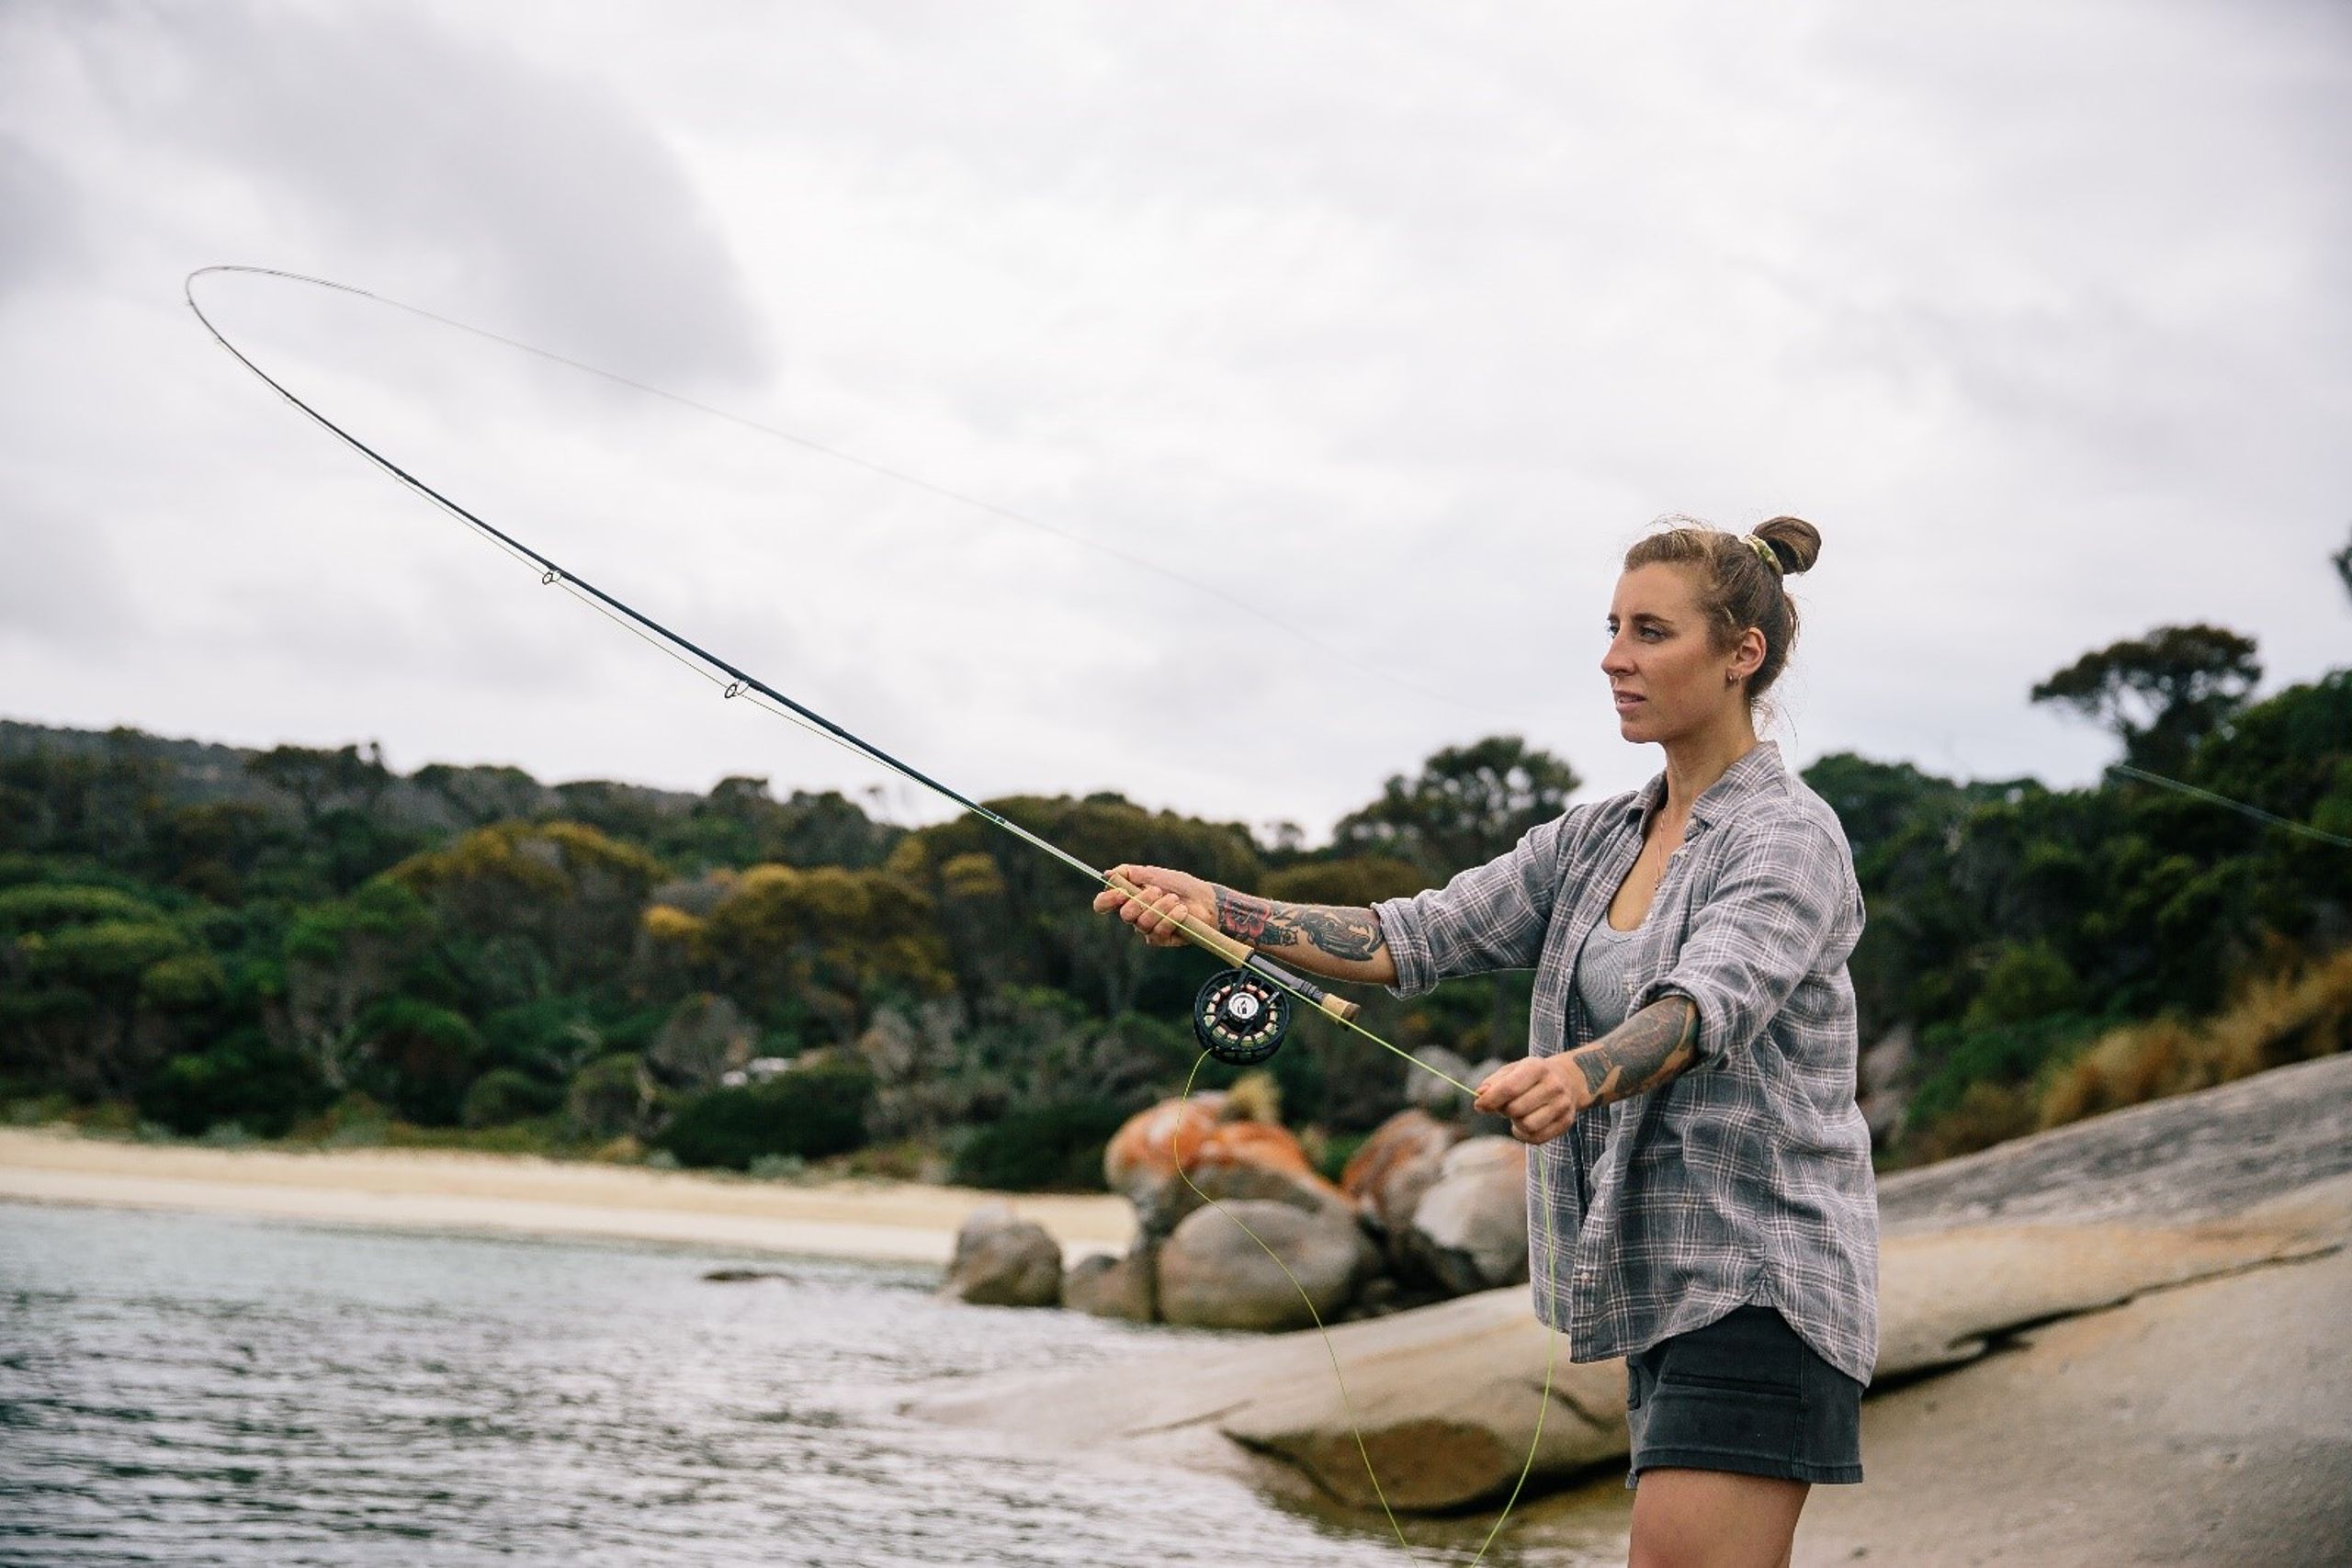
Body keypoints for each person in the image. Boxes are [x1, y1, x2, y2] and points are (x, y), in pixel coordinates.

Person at [1092, 515, 1876, 1568]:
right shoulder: (1598, 836)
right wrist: (1215, 906)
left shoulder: (1786, 836)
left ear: (1741, 654)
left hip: (1759, 1278)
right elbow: (1408, 935)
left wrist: (1579, 1074)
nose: (1612, 657)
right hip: (1658, 1286)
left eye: (1650, 632)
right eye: (1611, 627)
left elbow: (1707, 1003)